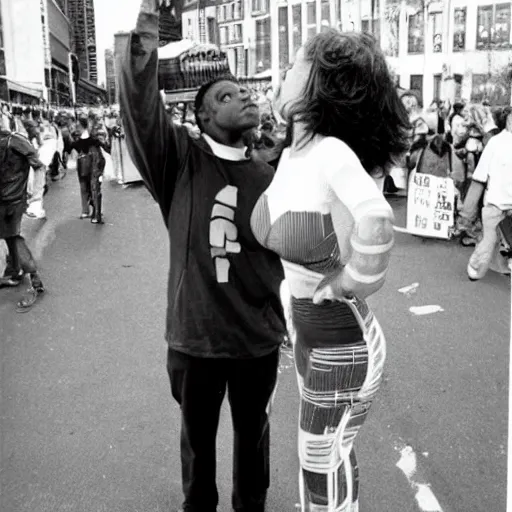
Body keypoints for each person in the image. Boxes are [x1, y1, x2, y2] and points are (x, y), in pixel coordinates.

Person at [118, 1, 287, 512]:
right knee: (199, 442)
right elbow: (140, 106)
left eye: (246, 91)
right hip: (196, 342)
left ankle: (250, 505)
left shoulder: (275, 172)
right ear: (203, 116)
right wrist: (149, 21)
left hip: (257, 338)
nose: (244, 96)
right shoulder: (178, 162)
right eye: (226, 95)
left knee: (253, 435)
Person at [251, 30, 410, 512]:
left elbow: (376, 218)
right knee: (327, 454)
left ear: (323, 84)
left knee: (320, 457)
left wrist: (350, 280)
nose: (284, 72)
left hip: (342, 339)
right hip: (307, 331)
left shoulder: (330, 153)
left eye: (296, 64)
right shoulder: (293, 156)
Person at [0, 112, 46, 312]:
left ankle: (35, 279)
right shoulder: (6, 140)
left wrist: (37, 195)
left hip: (14, 199)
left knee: (13, 236)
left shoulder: (16, 140)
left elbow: (38, 165)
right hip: (5, 198)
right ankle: (14, 272)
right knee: (8, 235)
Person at [466, 107, 512, 281]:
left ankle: (487, 266)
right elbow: (480, 176)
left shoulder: (495, 142)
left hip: (498, 201)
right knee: (489, 240)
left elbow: (479, 176)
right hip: (496, 202)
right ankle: (476, 266)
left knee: (493, 239)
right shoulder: (495, 142)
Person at [70, 115, 108, 224]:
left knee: (91, 188)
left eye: (78, 126)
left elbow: (101, 152)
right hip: (85, 166)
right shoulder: (82, 139)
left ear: (82, 127)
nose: (76, 128)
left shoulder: (91, 140)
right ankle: (89, 211)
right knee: (87, 187)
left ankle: (92, 211)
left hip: (90, 166)